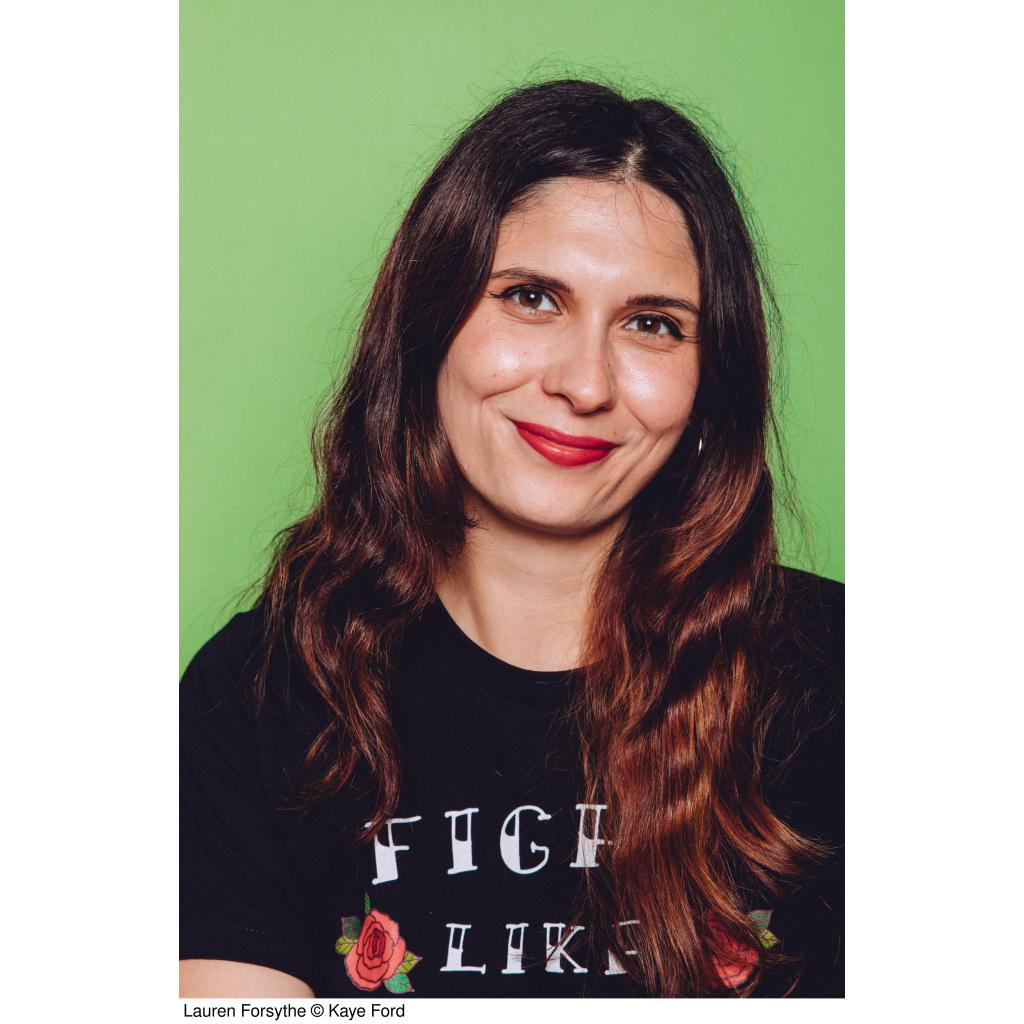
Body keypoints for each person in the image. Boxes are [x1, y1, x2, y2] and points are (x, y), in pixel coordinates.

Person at [179, 78, 843, 999]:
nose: (584, 383)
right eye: (531, 298)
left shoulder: (840, 680)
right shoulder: (257, 697)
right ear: (429, 325)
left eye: (653, 324)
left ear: (709, 384)